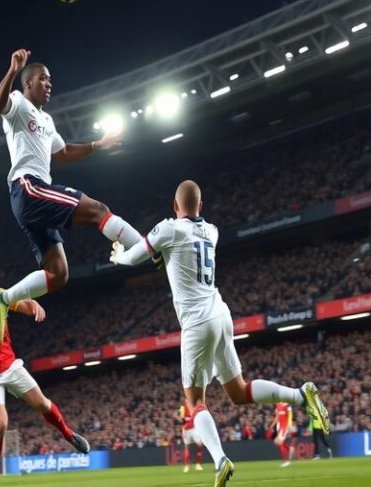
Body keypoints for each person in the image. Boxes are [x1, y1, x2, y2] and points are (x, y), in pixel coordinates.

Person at [110, 180, 331, 487]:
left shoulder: (168, 229)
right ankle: (300, 396)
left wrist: (119, 254)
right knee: (238, 392)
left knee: (195, 401)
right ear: (200, 207)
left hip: (197, 324)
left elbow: (136, 257)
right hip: (220, 314)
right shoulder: (211, 231)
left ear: (175, 207)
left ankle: (220, 461)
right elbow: (172, 253)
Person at [0, 48, 144, 342]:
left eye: (50, 80)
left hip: (35, 197)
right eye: (43, 79)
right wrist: (13, 70)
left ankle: (5, 299)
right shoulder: (19, 105)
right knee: (98, 209)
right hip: (28, 187)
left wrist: (98, 144)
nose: (49, 84)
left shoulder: (47, 121)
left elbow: (62, 154)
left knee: (59, 274)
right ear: (29, 84)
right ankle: (145, 250)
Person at [0, 252, 90, 487]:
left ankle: (68, 434)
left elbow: (23, 303)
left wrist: (33, 305)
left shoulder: (0, 296)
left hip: (10, 366)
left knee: (43, 404)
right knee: (1, 424)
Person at [176, 403, 204, 473]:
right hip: (186, 430)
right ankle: (186, 465)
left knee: (200, 444)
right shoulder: (183, 408)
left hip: (194, 429)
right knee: (187, 447)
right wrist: (181, 419)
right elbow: (177, 414)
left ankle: (198, 464)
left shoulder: (195, 408)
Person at [270, 403, 294, 467]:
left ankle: (287, 461)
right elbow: (277, 417)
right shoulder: (278, 405)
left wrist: (289, 425)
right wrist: (272, 426)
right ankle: (289, 448)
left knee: (279, 442)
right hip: (280, 427)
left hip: (285, 427)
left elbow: (290, 416)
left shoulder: (287, 405)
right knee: (276, 442)